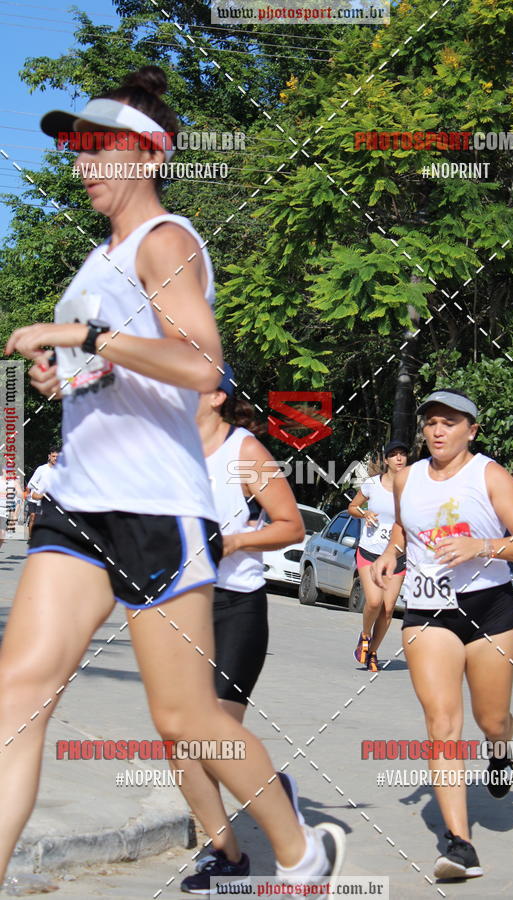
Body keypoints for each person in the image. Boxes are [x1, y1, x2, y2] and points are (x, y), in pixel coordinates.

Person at [0, 65, 345, 888]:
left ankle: (299, 851)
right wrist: (66, 374)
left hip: (157, 509)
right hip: (80, 503)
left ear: (142, 155)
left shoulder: (166, 241)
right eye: (73, 150)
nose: (78, 165)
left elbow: (201, 365)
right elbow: (116, 372)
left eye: (92, 149)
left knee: (184, 716)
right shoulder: (96, 260)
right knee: (17, 695)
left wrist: (83, 336)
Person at [371, 389, 513, 879]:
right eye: (430, 422)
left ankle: (501, 747)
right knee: (443, 724)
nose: (438, 430)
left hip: (489, 610)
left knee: (491, 720)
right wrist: (391, 553)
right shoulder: (406, 478)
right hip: (428, 610)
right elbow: (405, 530)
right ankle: (459, 844)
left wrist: (480, 545)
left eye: (450, 421)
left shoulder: (490, 475)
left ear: (472, 429)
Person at [181, 364, 306, 893]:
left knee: (212, 735)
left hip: (237, 606)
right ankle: (226, 854)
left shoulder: (245, 453)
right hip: (183, 607)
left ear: (216, 395)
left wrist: (231, 542)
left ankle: (271, 792)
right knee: (180, 742)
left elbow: (291, 525)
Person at [347, 441, 408, 672]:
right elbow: (352, 507)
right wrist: (365, 512)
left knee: (388, 608)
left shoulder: (412, 488)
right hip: (370, 552)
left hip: (398, 555)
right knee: (374, 601)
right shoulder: (372, 484)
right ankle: (364, 636)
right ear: (386, 460)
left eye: (403, 454)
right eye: (394, 455)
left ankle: (372, 652)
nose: (399, 459)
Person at [26, 448, 59, 537]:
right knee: (33, 517)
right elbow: (30, 484)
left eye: (57, 457)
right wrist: (39, 492)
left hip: (48, 500)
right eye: (53, 456)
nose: (55, 458)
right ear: (49, 456)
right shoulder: (41, 469)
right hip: (35, 498)